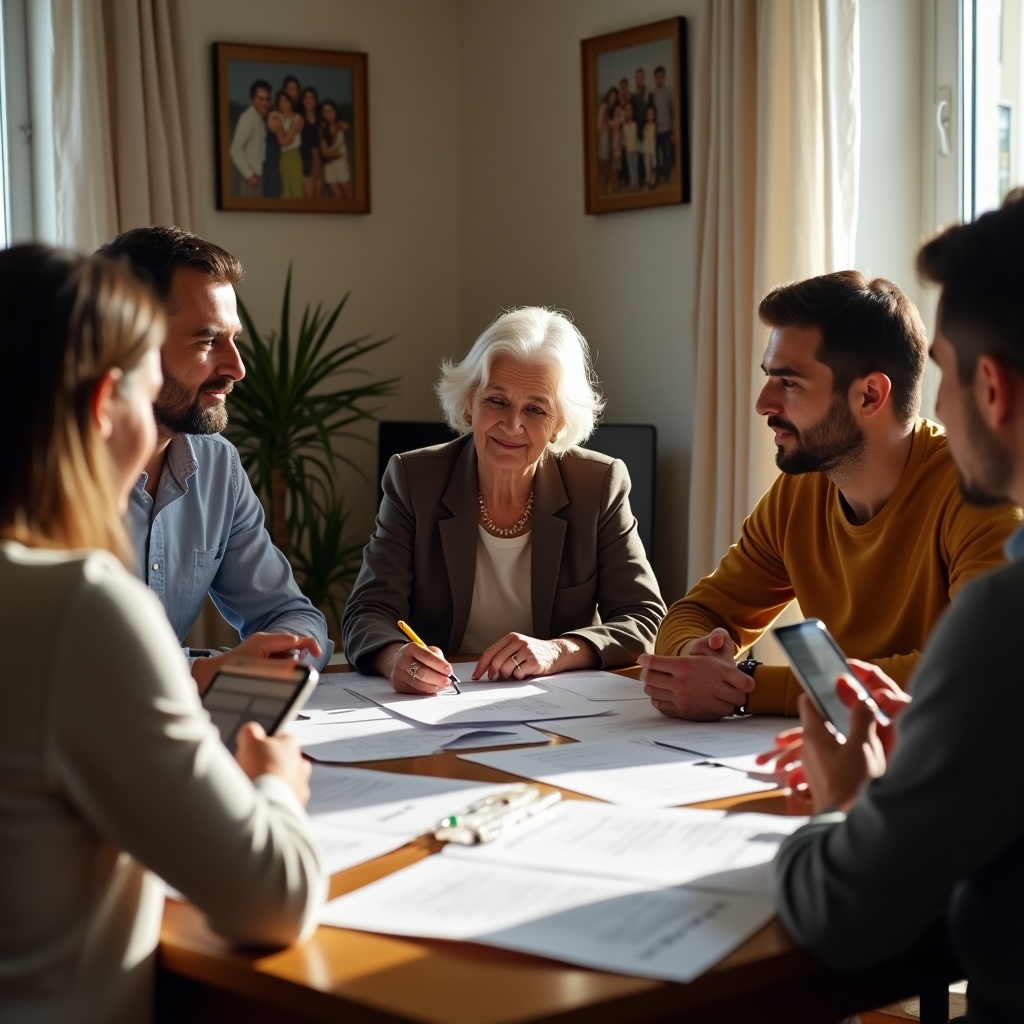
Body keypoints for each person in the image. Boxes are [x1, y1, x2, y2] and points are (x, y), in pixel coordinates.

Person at [0, 244, 324, 1022]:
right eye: (146, 398)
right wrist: (276, 775)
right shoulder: (79, 608)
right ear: (106, 404)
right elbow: (274, 899)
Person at [775, 190, 1024, 1024]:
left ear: (993, 389)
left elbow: (845, 913)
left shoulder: (1005, 621)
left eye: (946, 379)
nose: (938, 412)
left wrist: (844, 798)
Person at [642, 271, 1020, 721]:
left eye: (790, 383)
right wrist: (696, 656)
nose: (764, 403)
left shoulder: (981, 495)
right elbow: (699, 611)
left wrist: (746, 686)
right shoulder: (801, 489)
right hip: (856, 751)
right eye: (769, 378)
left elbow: (978, 669)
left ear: (870, 395)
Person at [342, 307, 666, 693]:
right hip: (435, 701)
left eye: (535, 409)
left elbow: (643, 618)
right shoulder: (414, 479)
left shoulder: (598, 485)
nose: (512, 425)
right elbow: (368, 611)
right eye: (497, 400)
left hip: (558, 708)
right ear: (469, 403)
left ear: (559, 422)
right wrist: (395, 656)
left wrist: (558, 651)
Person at [95, 226, 333, 691]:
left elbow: (287, 612)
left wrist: (283, 661)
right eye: (207, 342)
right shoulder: (46, 473)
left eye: (233, 339)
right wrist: (201, 671)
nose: (237, 368)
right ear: (127, 344)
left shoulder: (216, 467)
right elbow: (59, 663)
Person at [230, 79, 271, 197]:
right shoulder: (247, 118)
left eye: (267, 99)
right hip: (250, 179)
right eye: (260, 99)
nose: (265, 103)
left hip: (258, 176)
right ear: (252, 99)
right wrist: (249, 174)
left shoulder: (259, 119)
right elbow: (235, 150)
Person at [268, 90, 303, 199]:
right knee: (285, 190)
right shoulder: (274, 115)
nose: (283, 104)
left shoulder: (299, 118)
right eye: (280, 101)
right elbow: (282, 140)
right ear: (277, 103)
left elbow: (285, 141)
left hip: (294, 155)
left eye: (286, 101)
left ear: (291, 102)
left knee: (297, 190)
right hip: (282, 156)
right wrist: (288, 127)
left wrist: (282, 128)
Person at [320, 98, 352, 199]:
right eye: (325, 111)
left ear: (335, 111)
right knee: (337, 199)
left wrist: (335, 152)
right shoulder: (322, 129)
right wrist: (338, 152)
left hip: (341, 165)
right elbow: (325, 152)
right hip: (329, 167)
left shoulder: (341, 125)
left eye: (331, 110)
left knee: (349, 197)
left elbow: (348, 126)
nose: (328, 114)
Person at [299, 86, 324, 199]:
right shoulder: (299, 119)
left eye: (312, 98)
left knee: (318, 198)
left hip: (320, 161)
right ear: (303, 101)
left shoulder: (321, 119)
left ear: (316, 100)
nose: (310, 100)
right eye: (306, 98)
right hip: (306, 162)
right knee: (309, 200)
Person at [651, 65, 675, 184]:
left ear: (664, 78)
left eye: (661, 77)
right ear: (654, 79)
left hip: (667, 130)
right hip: (655, 130)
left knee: (667, 154)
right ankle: (658, 176)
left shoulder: (669, 91)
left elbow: (674, 111)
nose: (659, 79)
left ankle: (668, 176)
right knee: (657, 156)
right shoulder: (652, 94)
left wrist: (674, 130)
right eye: (657, 77)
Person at [597, 87, 618, 195]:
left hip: (608, 138)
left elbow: (609, 122)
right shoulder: (605, 106)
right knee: (604, 163)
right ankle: (603, 189)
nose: (613, 98)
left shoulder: (610, 109)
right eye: (611, 96)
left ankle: (606, 188)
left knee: (607, 164)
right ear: (608, 96)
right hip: (604, 138)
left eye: (614, 96)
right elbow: (600, 124)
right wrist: (603, 128)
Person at [622, 102, 639, 190]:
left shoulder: (635, 124)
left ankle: (636, 183)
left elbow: (637, 138)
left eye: (630, 110)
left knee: (635, 166)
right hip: (628, 150)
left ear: (632, 112)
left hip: (635, 149)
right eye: (626, 110)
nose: (628, 112)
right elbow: (623, 139)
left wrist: (639, 149)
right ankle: (632, 183)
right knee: (630, 167)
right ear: (624, 112)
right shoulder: (624, 126)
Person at [642, 104, 658, 188]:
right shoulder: (644, 126)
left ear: (654, 115)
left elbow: (655, 137)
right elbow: (643, 139)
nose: (650, 116)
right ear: (646, 116)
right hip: (646, 150)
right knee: (647, 166)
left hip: (653, 150)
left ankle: (653, 180)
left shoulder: (655, 126)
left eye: (652, 114)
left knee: (653, 165)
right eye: (648, 114)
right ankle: (648, 179)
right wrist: (642, 150)